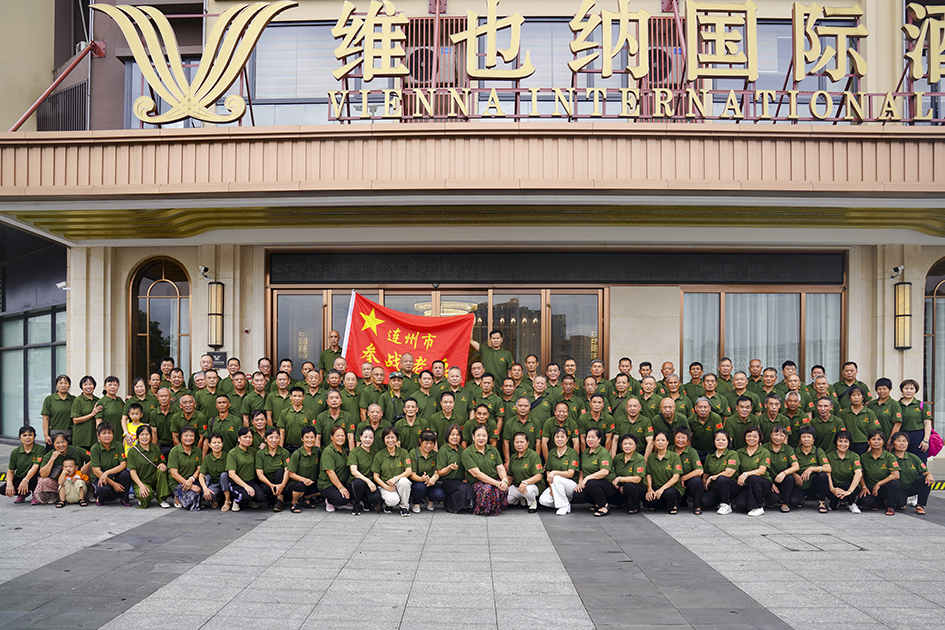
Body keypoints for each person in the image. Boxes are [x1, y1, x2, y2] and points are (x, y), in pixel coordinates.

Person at [461, 424, 509, 516]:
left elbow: (500, 467)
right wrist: (496, 483)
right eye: (478, 435)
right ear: (473, 437)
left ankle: (495, 507)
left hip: (494, 480)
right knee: (488, 489)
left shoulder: (493, 449)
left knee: (503, 488)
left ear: (487, 437)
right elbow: (476, 474)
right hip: (478, 483)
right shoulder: (467, 453)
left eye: (484, 435)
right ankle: (481, 508)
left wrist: (504, 480)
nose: (481, 438)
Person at [571, 427, 617, 517]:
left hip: (607, 484)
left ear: (599, 439)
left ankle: (604, 506)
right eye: (588, 437)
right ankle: (597, 502)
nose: (590, 439)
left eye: (593, 437)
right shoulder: (586, 452)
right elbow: (581, 470)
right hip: (591, 483)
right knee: (578, 495)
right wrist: (580, 482)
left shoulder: (603, 452)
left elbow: (605, 471)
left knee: (591, 484)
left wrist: (587, 478)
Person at [35, 433, 90, 504]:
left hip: (77, 479)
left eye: (63, 442)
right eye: (57, 443)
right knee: (43, 481)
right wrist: (52, 458)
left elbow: (94, 457)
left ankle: (89, 494)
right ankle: (58, 496)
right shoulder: (49, 455)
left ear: (67, 442)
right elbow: (43, 474)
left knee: (92, 469)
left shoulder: (76, 450)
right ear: (53, 444)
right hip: (58, 482)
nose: (61, 445)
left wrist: (87, 465)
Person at [126, 425, 172, 509]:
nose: (144, 437)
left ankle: (162, 499)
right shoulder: (132, 452)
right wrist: (141, 485)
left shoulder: (155, 448)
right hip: (141, 481)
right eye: (142, 434)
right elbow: (132, 472)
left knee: (162, 470)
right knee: (145, 498)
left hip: (154, 479)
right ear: (137, 437)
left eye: (147, 434)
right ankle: (144, 495)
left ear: (151, 436)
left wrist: (162, 464)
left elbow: (161, 460)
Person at [858, 428, 901, 516]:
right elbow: (860, 474)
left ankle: (890, 506)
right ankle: (878, 503)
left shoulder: (889, 457)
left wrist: (879, 484)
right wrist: (864, 487)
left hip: (884, 488)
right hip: (870, 489)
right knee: (864, 502)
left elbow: (896, 475)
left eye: (879, 439)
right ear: (868, 442)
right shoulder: (863, 457)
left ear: (883, 442)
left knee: (895, 483)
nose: (876, 442)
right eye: (873, 439)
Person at [538, 427, 581, 515]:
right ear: (554, 439)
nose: (559, 439)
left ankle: (563, 506)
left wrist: (554, 472)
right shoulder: (551, 453)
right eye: (557, 437)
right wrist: (551, 488)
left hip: (570, 485)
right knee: (543, 500)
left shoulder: (572, 453)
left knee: (556, 477)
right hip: (555, 484)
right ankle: (565, 501)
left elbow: (570, 473)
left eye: (562, 437)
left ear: (567, 439)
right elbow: (548, 471)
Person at [789, 425, 831, 512]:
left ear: (813, 439)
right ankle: (801, 499)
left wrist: (812, 468)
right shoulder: (794, 451)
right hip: (799, 485)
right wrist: (794, 474)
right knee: (793, 502)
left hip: (813, 485)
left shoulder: (818, 451)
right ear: (800, 439)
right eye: (803, 437)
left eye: (809, 437)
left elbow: (828, 468)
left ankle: (822, 502)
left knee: (823, 476)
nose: (806, 439)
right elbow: (788, 467)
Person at [891, 431, 934, 515]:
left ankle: (920, 505)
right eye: (898, 441)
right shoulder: (889, 457)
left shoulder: (913, 457)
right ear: (893, 444)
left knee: (925, 480)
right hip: (898, 489)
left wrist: (929, 475)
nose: (902, 443)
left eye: (904, 441)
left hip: (911, 487)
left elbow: (925, 471)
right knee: (899, 504)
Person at [373, 426, 413, 516]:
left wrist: (395, 478)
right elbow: (375, 476)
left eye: (392, 437)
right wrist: (386, 487)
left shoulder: (403, 452)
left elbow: (409, 471)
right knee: (392, 501)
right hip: (385, 485)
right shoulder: (379, 455)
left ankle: (404, 507)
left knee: (405, 481)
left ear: (397, 439)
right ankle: (388, 505)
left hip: (398, 483)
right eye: (387, 437)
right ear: (383, 439)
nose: (390, 440)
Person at [732, 427, 771, 517]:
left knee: (753, 478)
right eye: (749, 436)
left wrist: (746, 474)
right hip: (747, 485)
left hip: (762, 484)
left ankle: (758, 507)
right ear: (745, 437)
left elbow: (762, 470)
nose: (751, 438)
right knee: (740, 504)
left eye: (755, 436)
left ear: (760, 438)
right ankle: (751, 504)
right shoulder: (739, 452)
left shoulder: (764, 452)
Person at [893, 379, 933, 463]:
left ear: (915, 391)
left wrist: (926, 440)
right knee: (901, 461)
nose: (909, 391)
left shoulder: (921, 405)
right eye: (906, 388)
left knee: (920, 461)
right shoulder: (896, 405)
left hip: (918, 437)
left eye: (911, 389)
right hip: (901, 437)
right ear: (902, 390)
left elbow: (927, 423)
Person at [436, 424, 474, 513]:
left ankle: (465, 506)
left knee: (468, 486)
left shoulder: (461, 449)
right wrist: (449, 468)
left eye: (457, 435)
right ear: (447, 436)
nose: (455, 437)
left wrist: (465, 479)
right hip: (447, 481)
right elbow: (440, 472)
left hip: (459, 480)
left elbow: (464, 466)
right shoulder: (443, 450)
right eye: (452, 434)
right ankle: (450, 505)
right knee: (463, 488)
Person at [644, 431, 682, 514]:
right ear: (654, 442)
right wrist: (649, 489)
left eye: (663, 440)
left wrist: (661, 489)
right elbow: (649, 474)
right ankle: (663, 503)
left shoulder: (674, 456)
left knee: (669, 493)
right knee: (649, 501)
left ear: (667, 442)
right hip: (656, 488)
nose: (660, 442)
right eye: (658, 440)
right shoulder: (651, 457)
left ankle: (672, 505)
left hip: (672, 488)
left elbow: (676, 477)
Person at [701, 430, 738, 514]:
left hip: (730, 485)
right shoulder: (710, 456)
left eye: (723, 440)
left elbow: (729, 473)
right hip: (715, 487)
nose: (720, 442)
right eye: (718, 440)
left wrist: (712, 477)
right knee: (704, 501)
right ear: (714, 442)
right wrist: (704, 486)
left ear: (728, 441)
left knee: (721, 479)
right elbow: (705, 475)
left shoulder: (732, 454)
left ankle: (726, 504)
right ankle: (719, 501)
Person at [2, 426, 43, 504]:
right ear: (20, 437)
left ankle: (36, 495)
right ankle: (23, 493)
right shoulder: (15, 452)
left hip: (33, 478)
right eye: (24, 435)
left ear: (34, 436)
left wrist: (25, 480)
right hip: (20, 477)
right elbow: (10, 471)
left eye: (30, 435)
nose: (27, 437)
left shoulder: (40, 449)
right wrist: (9, 484)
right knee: (3, 489)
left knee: (36, 479)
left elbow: (35, 466)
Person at [506, 431, 544, 513]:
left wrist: (525, 482)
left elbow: (539, 476)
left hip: (532, 486)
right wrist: (505, 486)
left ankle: (533, 502)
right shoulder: (513, 457)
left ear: (527, 443)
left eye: (522, 442)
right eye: (517, 442)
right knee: (506, 499)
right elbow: (510, 477)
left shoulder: (533, 456)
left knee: (527, 490)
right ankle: (521, 498)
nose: (519, 444)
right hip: (518, 486)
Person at [826, 429, 862, 513]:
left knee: (849, 484)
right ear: (836, 442)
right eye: (840, 441)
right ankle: (834, 501)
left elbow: (859, 473)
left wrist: (849, 491)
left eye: (846, 441)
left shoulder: (854, 456)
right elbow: (828, 474)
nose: (843, 444)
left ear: (850, 443)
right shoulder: (829, 456)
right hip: (834, 486)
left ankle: (852, 504)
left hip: (849, 487)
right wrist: (832, 489)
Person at [255, 426, 290, 512]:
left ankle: (280, 499)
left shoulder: (284, 452)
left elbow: (287, 470)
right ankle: (272, 497)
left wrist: (282, 485)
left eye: (277, 438)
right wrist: (271, 485)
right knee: (264, 490)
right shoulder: (260, 453)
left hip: (281, 481)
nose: (274, 440)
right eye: (271, 437)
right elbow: (259, 474)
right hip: (268, 482)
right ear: (265, 439)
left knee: (280, 471)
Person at [226, 427, 261, 511]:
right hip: (237, 483)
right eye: (245, 437)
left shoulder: (253, 451)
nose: (248, 439)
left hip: (251, 482)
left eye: (250, 437)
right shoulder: (233, 453)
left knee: (261, 497)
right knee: (246, 496)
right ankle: (236, 501)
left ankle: (250, 500)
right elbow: (231, 473)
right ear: (239, 438)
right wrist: (246, 486)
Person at [167, 426, 203, 510]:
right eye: (186, 436)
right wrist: (190, 486)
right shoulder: (174, 451)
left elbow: (199, 469)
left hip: (192, 480)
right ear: (180, 437)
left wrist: (191, 479)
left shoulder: (197, 450)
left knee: (207, 480)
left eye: (191, 436)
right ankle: (178, 496)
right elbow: (173, 473)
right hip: (178, 482)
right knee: (193, 501)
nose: (189, 438)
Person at [348, 425, 381, 515]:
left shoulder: (375, 453)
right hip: (356, 482)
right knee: (359, 483)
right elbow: (353, 471)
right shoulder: (354, 452)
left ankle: (366, 501)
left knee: (376, 497)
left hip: (370, 483)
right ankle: (356, 503)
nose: (367, 440)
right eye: (365, 437)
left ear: (373, 439)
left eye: (370, 437)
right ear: (360, 437)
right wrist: (368, 481)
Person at [318, 425, 352, 512]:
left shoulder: (344, 450)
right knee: (342, 499)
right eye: (337, 436)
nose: (340, 438)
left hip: (341, 481)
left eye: (342, 435)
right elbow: (330, 472)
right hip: (327, 484)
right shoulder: (328, 452)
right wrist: (341, 488)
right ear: (331, 437)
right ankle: (329, 501)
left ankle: (344, 500)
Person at [766, 425, 799, 513]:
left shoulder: (788, 449)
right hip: (769, 480)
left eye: (781, 435)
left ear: (785, 437)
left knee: (789, 477)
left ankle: (785, 502)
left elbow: (796, 466)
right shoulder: (764, 448)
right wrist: (770, 483)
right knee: (773, 499)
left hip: (783, 480)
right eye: (776, 434)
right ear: (770, 435)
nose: (778, 438)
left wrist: (784, 473)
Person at [612, 433, 647, 515]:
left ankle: (634, 507)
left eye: (630, 444)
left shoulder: (639, 458)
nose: (627, 446)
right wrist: (619, 486)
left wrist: (620, 479)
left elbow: (637, 479)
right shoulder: (617, 458)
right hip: (620, 488)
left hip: (637, 488)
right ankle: (621, 503)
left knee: (629, 486)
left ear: (635, 445)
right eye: (625, 444)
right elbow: (613, 473)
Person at [409, 430, 443, 513]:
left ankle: (430, 501)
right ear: (420, 441)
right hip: (418, 481)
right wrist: (422, 479)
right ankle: (416, 503)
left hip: (431, 482)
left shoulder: (435, 454)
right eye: (426, 443)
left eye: (431, 443)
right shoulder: (413, 453)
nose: (429, 446)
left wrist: (433, 478)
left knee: (439, 494)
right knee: (419, 487)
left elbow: (437, 471)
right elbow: (412, 474)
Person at [672, 427, 704, 514]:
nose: (680, 440)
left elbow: (699, 471)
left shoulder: (692, 452)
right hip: (672, 481)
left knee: (697, 481)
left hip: (687, 482)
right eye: (678, 437)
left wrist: (683, 478)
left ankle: (697, 506)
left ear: (688, 439)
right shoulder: (669, 450)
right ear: (674, 438)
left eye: (683, 438)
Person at [840, 386, 881, 454]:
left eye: (858, 395)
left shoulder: (869, 413)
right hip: (848, 444)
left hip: (865, 444)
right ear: (849, 398)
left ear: (863, 397)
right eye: (853, 395)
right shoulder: (844, 412)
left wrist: (870, 446)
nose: (856, 398)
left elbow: (874, 431)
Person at [70, 375, 102, 452]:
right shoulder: (78, 401)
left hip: (94, 439)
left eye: (90, 384)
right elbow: (75, 420)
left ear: (94, 386)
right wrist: (92, 414)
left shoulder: (98, 401)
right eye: (85, 385)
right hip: (81, 439)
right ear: (81, 387)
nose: (88, 387)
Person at [42, 374, 75, 447]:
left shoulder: (73, 399)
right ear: (56, 385)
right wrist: (46, 435)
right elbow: (45, 418)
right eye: (60, 383)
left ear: (69, 385)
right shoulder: (49, 399)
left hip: (69, 436)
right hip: (53, 436)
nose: (63, 385)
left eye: (66, 383)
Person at [199, 432, 230, 510]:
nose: (217, 445)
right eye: (214, 443)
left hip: (227, 484)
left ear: (222, 444)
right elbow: (201, 475)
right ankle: (215, 498)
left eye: (219, 442)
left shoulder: (228, 456)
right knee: (207, 495)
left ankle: (227, 501)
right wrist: (205, 489)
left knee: (224, 475)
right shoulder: (207, 458)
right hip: (215, 484)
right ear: (209, 445)